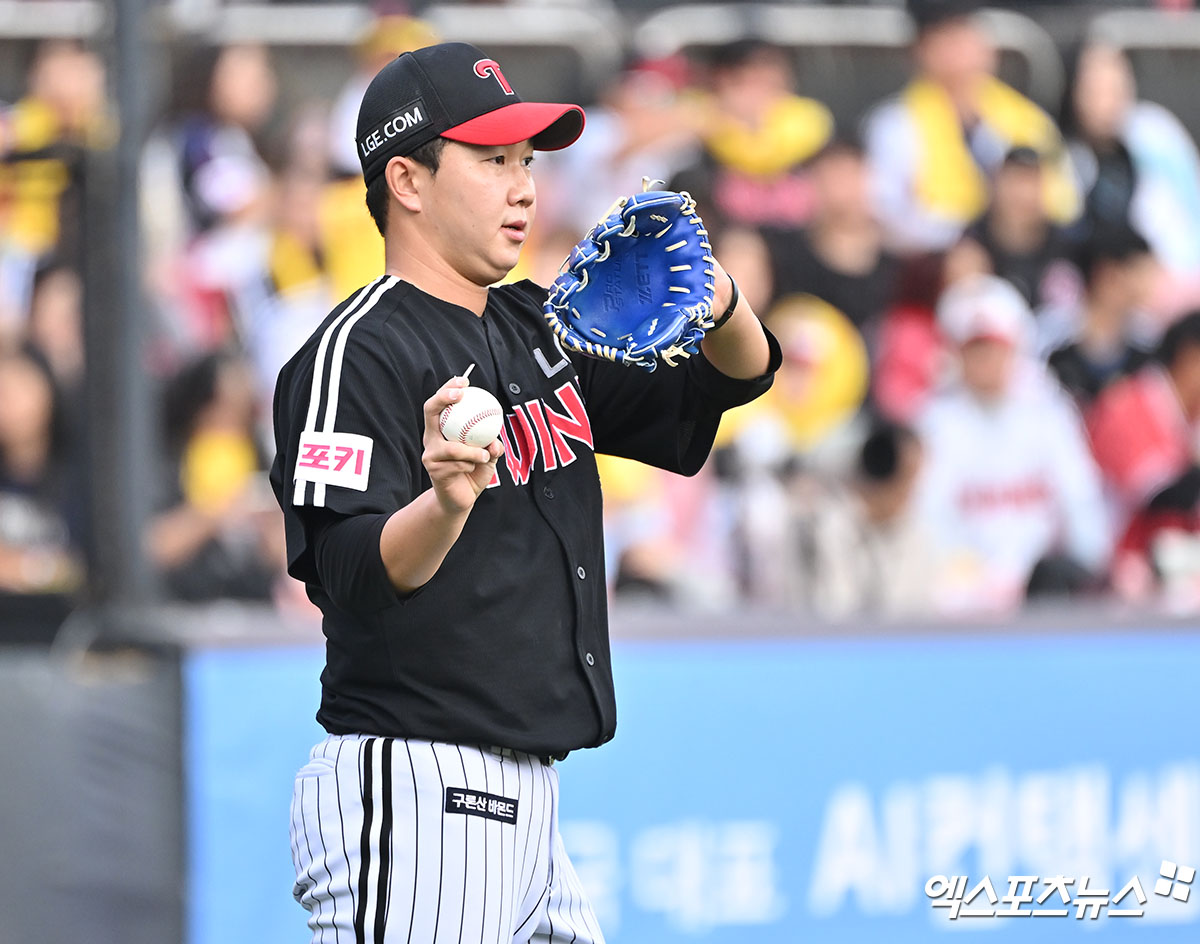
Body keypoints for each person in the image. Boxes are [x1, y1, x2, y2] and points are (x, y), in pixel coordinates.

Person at [269, 43, 777, 943]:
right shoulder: (356, 352)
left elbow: (730, 381)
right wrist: (444, 505)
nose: (524, 187)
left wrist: (718, 294)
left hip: (529, 807)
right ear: (408, 180)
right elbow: (343, 565)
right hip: (419, 789)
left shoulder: (537, 325)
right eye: (492, 159)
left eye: (528, 162)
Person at [914, 275, 1110, 614]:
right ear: (957, 353)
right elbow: (929, 518)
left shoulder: (1049, 413)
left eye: (995, 347)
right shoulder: (933, 422)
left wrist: (1088, 568)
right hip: (963, 597)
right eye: (975, 348)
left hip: (1047, 591)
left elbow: (1081, 501)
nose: (986, 360)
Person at [862, 0, 1078, 254]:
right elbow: (889, 218)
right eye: (948, 38)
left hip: (1026, 256)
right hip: (936, 264)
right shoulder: (894, 125)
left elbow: (1067, 203)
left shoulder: (1028, 120)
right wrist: (971, 232)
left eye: (967, 33)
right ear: (921, 50)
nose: (962, 49)